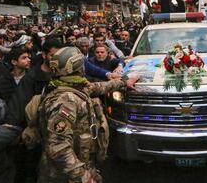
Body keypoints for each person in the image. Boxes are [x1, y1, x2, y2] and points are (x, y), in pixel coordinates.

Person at [37, 47, 137, 183]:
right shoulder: (67, 100)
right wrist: (84, 177)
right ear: (79, 68)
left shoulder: (72, 86)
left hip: (80, 164)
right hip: (65, 175)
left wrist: (123, 82)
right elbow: (58, 147)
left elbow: (100, 87)